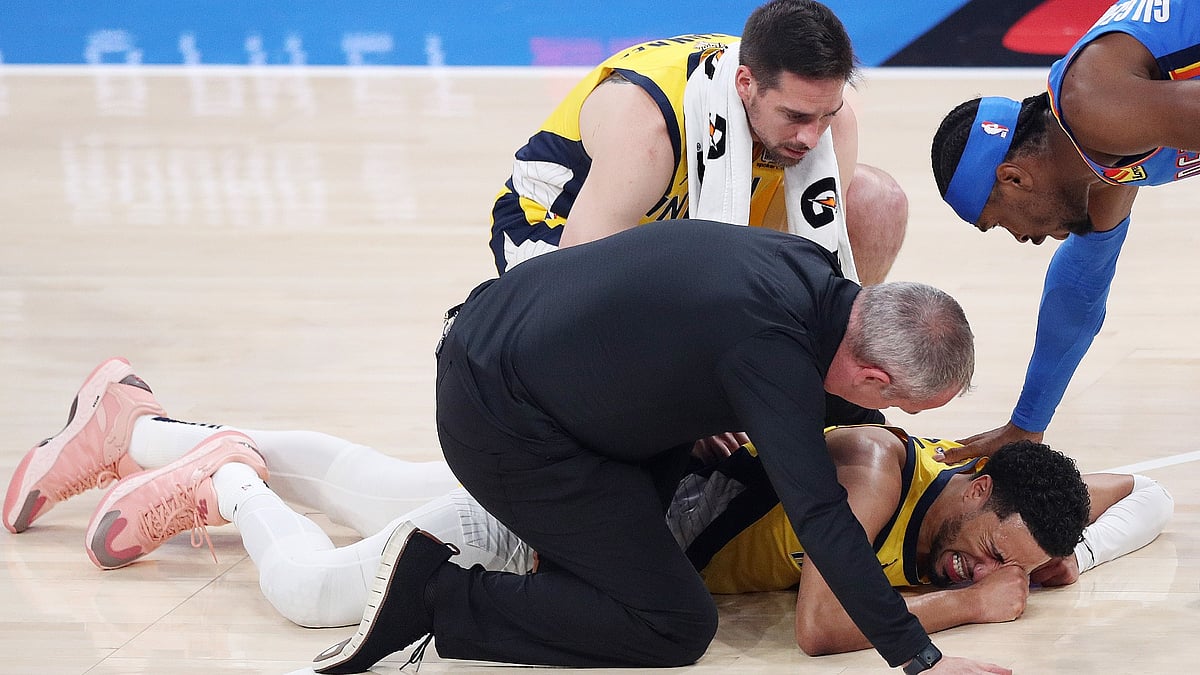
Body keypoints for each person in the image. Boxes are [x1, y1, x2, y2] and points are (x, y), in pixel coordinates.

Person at [5, 359, 1171, 652]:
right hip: (574, 525)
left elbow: (1143, 491)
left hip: (601, 491)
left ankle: (135, 419)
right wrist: (978, 617)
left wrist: (1062, 549)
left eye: (990, 567)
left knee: (369, 482)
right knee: (317, 592)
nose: (974, 570)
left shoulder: (985, 510)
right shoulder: (874, 471)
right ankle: (227, 481)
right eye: (981, 549)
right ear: (964, 486)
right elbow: (825, 627)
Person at [313, 217, 994, 675]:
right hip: (501, 417)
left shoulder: (810, 271)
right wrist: (918, 658)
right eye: (894, 403)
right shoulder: (774, 356)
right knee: (674, 623)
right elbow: (819, 511)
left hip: (511, 345)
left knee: (632, 563)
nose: (884, 416)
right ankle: (432, 594)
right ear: (873, 374)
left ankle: (558, 580)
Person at [929, 0, 1200, 461]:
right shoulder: (1100, 159)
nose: (1020, 238)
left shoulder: (1095, 106)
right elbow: (1079, 291)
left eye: (997, 222)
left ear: (1013, 178)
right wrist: (1027, 425)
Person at [491, 0, 907, 288]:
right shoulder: (648, 126)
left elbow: (802, 261)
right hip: (560, 229)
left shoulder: (829, 126)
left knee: (877, 202)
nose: (811, 137)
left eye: (826, 114)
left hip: (680, 223)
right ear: (747, 85)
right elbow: (577, 283)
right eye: (795, 117)